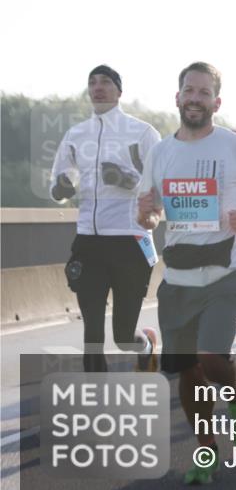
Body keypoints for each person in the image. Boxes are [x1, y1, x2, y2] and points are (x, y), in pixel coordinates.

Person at [137, 62, 236, 485]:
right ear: (177, 97)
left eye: (203, 92)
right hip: (177, 277)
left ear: (216, 102)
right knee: (188, 371)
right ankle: (206, 450)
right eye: (189, 91)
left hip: (225, 269)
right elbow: (148, 212)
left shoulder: (234, 145)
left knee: (212, 355)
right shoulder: (161, 152)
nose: (195, 98)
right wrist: (146, 215)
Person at [50, 64, 160, 373]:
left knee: (123, 336)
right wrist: (60, 187)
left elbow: (162, 186)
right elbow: (58, 184)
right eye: (92, 82)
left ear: (119, 91)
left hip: (130, 240)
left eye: (106, 82)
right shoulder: (76, 134)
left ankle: (146, 345)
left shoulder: (142, 132)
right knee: (92, 332)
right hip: (89, 241)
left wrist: (128, 180)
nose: (98, 87)